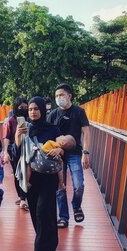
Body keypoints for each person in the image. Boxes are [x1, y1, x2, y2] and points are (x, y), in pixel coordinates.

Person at [15, 96, 69, 251]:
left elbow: (63, 149)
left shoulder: (53, 129)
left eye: (36, 109)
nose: (33, 112)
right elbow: (18, 153)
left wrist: (60, 149)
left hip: (48, 177)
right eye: (30, 109)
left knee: (43, 210)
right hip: (31, 177)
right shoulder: (26, 128)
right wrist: (18, 136)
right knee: (35, 212)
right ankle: (46, 240)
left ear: (43, 110)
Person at [48, 83, 91, 228]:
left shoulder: (79, 112)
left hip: (75, 153)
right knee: (60, 186)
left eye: (61, 95)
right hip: (58, 154)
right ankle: (63, 216)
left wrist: (85, 152)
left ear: (69, 96)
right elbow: (47, 134)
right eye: (56, 96)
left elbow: (86, 132)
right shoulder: (53, 114)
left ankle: (76, 205)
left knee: (79, 185)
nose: (59, 98)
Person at [2, 96, 29, 210]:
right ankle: (21, 196)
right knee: (17, 173)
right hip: (14, 149)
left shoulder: (30, 119)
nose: (23, 109)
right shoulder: (11, 121)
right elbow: (7, 137)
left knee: (26, 171)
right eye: (21, 107)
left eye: (25, 107)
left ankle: (24, 197)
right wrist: (5, 152)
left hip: (28, 147)